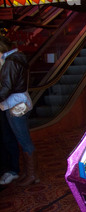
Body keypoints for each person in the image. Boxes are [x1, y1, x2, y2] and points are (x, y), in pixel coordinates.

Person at [0, 35, 39, 186]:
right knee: (23, 139)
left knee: (24, 141)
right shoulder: (16, 58)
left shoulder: (11, 62)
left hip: (16, 104)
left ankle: (32, 174)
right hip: (19, 101)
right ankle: (31, 173)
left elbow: (6, 88)